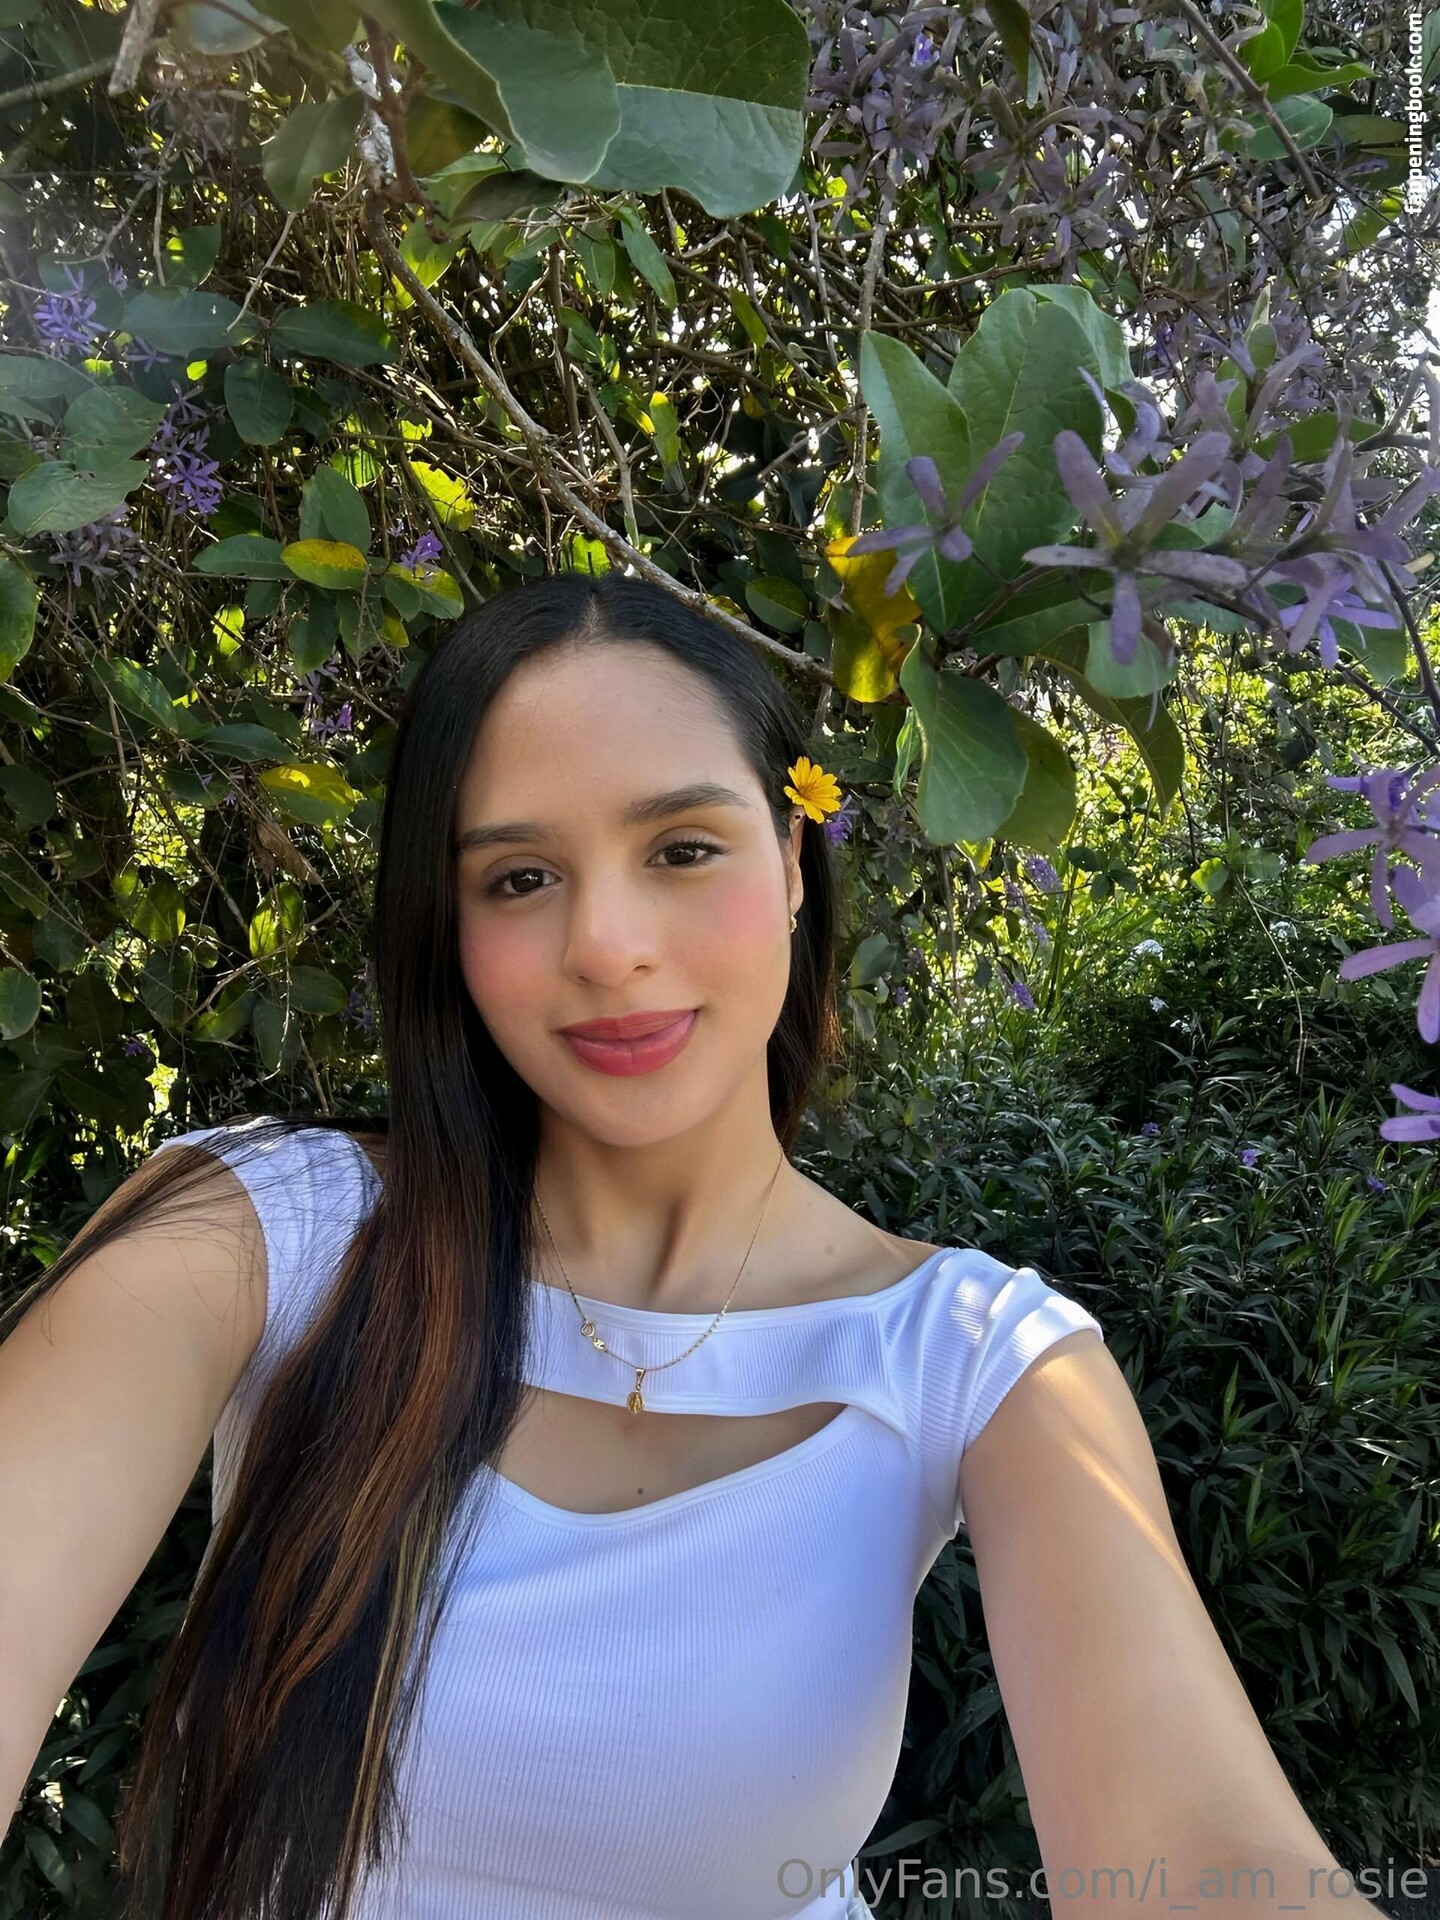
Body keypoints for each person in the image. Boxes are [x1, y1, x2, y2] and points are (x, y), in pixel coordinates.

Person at [0, 574, 1377, 1920]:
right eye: (521, 878)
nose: (606, 947)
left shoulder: (975, 1365)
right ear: (448, 925)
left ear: (792, 863)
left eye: (681, 849)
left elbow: (1197, 1858)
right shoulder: (270, 1239)